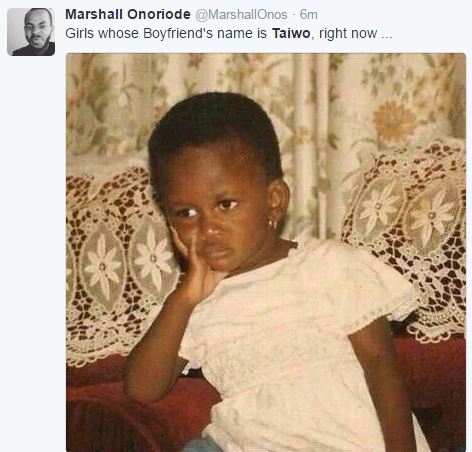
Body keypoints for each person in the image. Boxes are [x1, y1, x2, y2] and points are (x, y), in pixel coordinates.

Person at [124, 92, 430, 452]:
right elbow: (142, 389)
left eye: (225, 204)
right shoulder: (195, 306)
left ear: (274, 200)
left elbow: (380, 365)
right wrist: (186, 297)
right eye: (186, 213)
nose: (207, 228)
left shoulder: (328, 265)